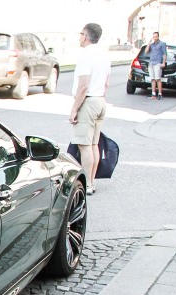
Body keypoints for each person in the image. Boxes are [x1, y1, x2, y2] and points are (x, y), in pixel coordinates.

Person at [69, 23, 110, 196]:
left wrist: (74, 109)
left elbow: (83, 86)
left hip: (88, 101)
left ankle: (86, 185)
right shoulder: (104, 55)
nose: (79, 37)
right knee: (94, 144)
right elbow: (106, 83)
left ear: (85, 36)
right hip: (100, 100)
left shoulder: (86, 55)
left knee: (84, 146)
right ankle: (91, 182)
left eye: (81, 34)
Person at [146, 31, 167, 100]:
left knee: (158, 79)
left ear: (158, 37)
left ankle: (160, 94)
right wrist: (148, 43)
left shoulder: (162, 44)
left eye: (156, 36)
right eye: (153, 37)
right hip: (151, 63)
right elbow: (146, 52)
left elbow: (164, 54)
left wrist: (163, 63)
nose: (154, 38)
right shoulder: (151, 45)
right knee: (152, 79)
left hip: (158, 63)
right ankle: (153, 94)